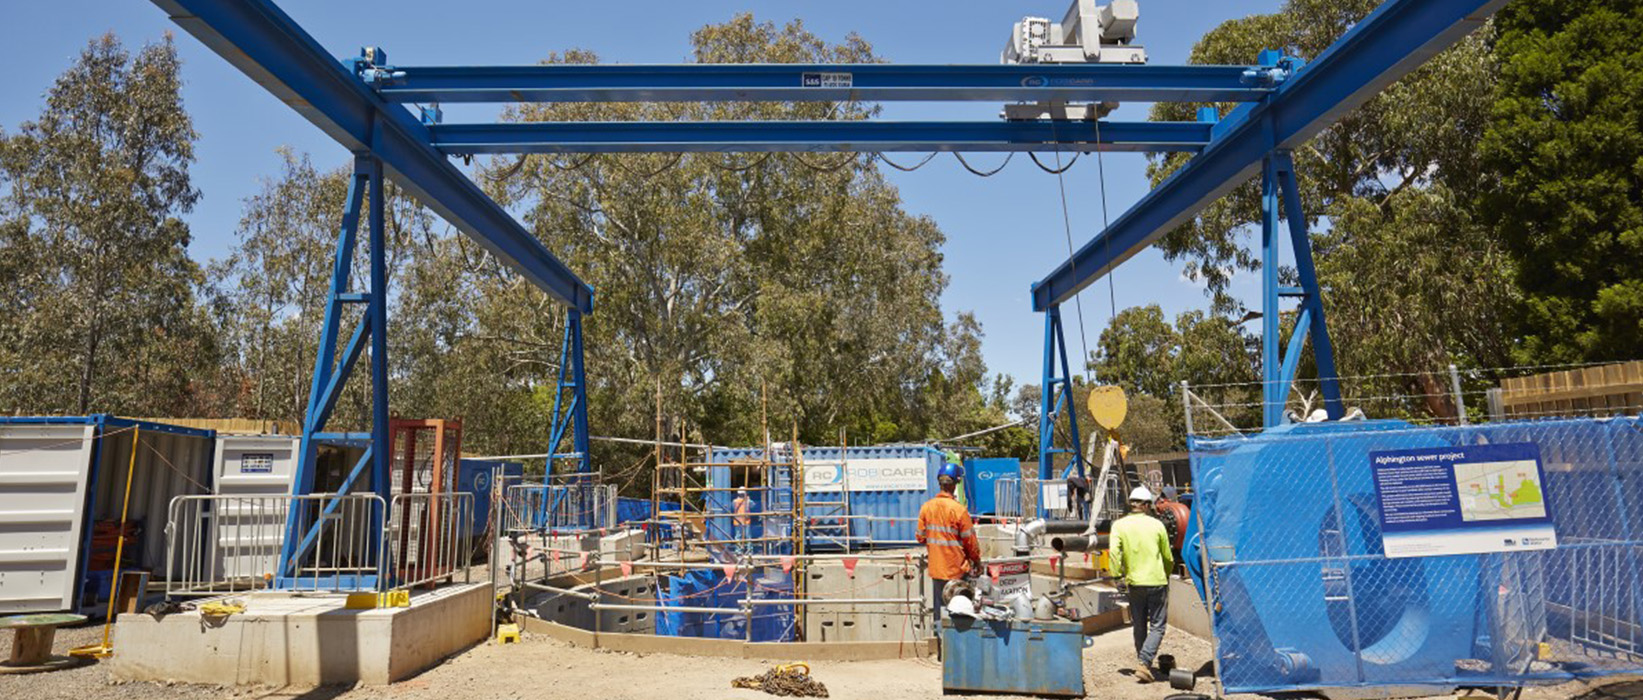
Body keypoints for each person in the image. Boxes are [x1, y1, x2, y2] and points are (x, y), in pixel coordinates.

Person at [1109, 485, 1174, 683]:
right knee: (1158, 626)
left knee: (1139, 624)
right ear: (1146, 505)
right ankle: (1145, 663)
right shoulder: (1157, 525)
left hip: (1135, 583)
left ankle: (1141, 661)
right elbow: (1168, 557)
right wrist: (1166, 574)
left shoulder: (1119, 525)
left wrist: (1117, 576)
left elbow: (1113, 553)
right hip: (1156, 581)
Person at [917, 461, 982, 631]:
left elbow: (920, 537)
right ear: (955, 484)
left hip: (937, 570)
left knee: (940, 611)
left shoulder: (926, 508)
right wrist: (977, 561)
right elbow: (971, 543)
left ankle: (941, 649)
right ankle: (957, 649)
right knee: (960, 612)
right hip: (957, 571)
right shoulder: (959, 510)